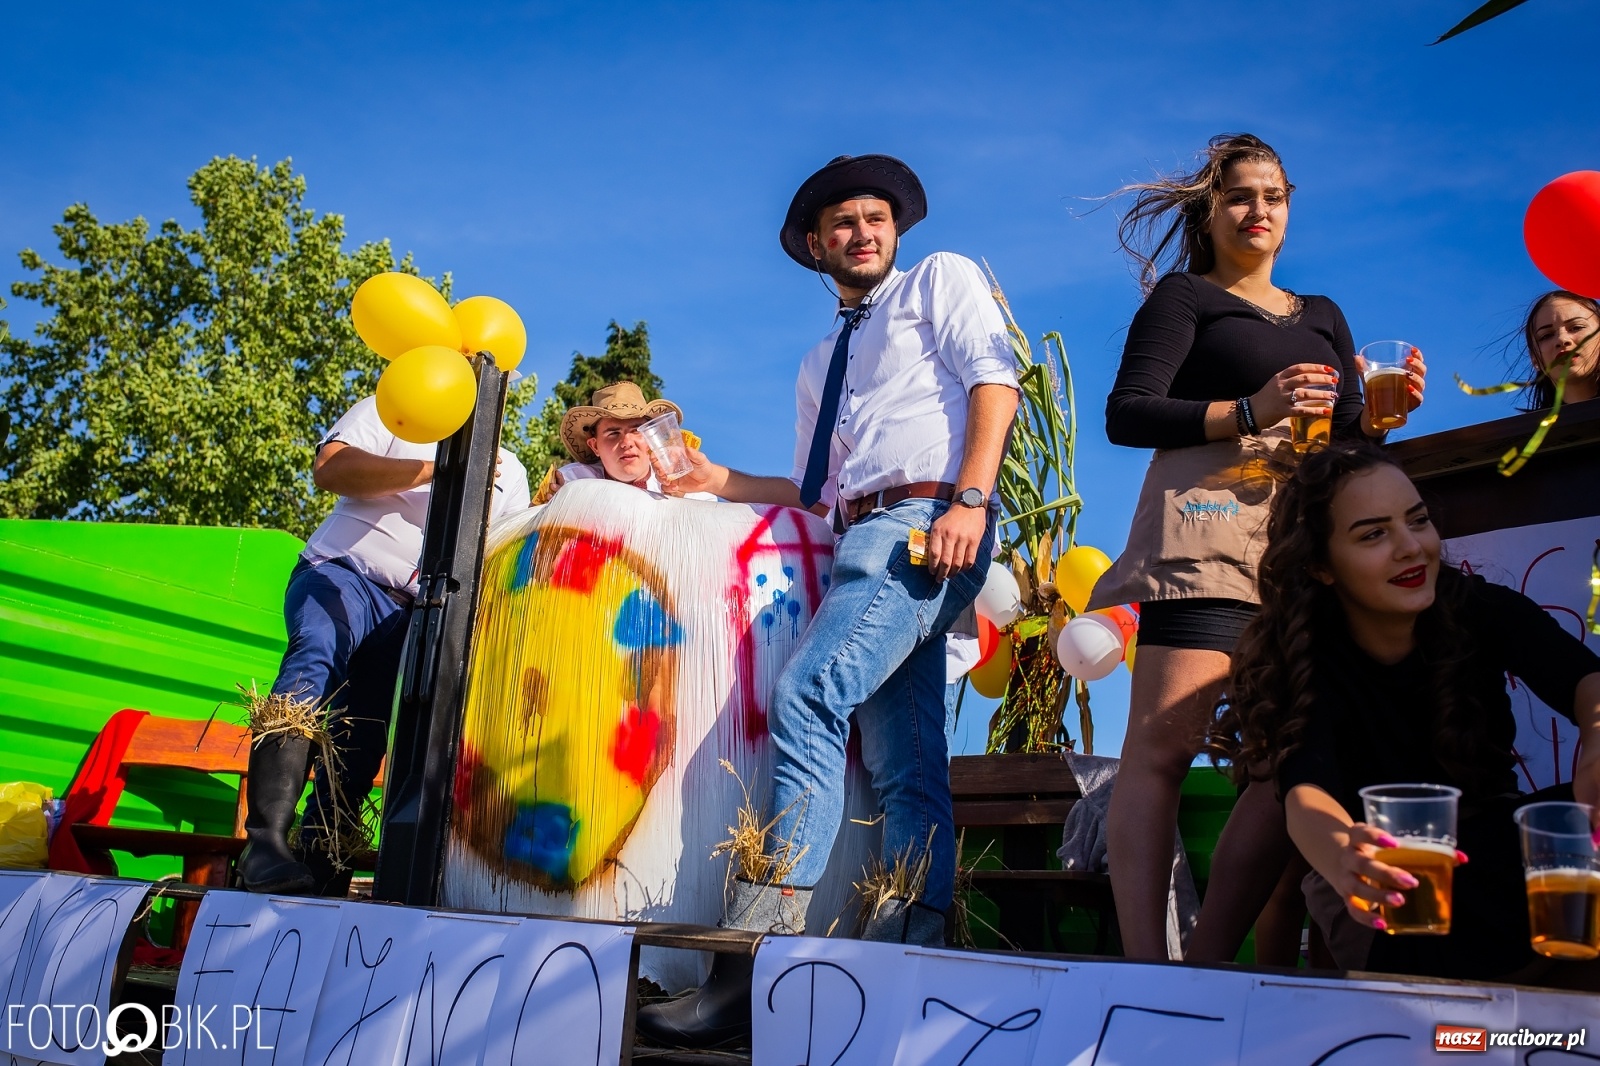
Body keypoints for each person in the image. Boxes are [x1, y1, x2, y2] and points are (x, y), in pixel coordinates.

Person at [635, 154, 1019, 1048]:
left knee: (809, 693)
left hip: (928, 517)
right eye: (843, 223)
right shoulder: (820, 361)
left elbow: (994, 382)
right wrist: (710, 477)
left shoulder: (941, 279)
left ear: (897, 229)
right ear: (816, 246)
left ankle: (751, 956)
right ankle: (909, 957)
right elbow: (815, 490)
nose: (863, 232)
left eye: (876, 217)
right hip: (861, 531)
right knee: (906, 757)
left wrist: (969, 500)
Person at [1087, 133, 1429, 962]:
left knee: (1287, 762)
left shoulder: (1322, 316)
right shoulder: (1186, 298)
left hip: (1307, 543)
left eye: (1274, 196)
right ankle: (1146, 964)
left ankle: (1221, 962)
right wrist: (1249, 408)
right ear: (1211, 210)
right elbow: (1127, 412)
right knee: (1166, 748)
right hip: (1210, 530)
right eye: (1241, 195)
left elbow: (1344, 434)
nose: (1259, 211)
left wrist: (1383, 416)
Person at [1210, 441, 1600, 982]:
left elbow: (1581, 675)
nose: (1410, 547)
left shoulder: (1473, 607)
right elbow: (1305, 792)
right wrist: (1345, 852)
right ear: (1322, 566)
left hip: (1494, 848)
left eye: (1417, 521)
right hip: (1388, 874)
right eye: (1373, 534)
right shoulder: (1312, 659)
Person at [236, 395, 530, 895]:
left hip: (414, 611)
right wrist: (437, 468)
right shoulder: (394, 408)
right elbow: (331, 468)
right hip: (341, 572)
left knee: (365, 734)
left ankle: (321, 863)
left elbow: (501, 553)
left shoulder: (510, 470)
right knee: (314, 660)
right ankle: (264, 845)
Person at [1520, 290, 1600, 409]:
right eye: (1546, 336)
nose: (1562, 339)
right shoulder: (1527, 427)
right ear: (1535, 359)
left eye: (1576, 327)